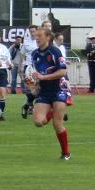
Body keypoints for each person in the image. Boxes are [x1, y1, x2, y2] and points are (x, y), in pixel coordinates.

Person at [28, 26, 72, 159]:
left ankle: (65, 153)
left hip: (59, 89)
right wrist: (34, 85)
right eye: (36, 36)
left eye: (40, 36)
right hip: (45, 91)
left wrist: (43, 78)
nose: (37, 38)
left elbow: (63, 72)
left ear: (48, 37)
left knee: (57, 125)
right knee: (38, 122)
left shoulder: (55, 51)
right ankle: (53, 112)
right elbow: (37, 74)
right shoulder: (34, 54)